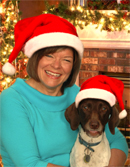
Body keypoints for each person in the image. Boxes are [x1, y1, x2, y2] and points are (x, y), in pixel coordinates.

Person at [0, 14, 128, 167]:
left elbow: (117, 141)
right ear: (35, 58)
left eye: (66, 59)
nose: (56, 65)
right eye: (49, 56)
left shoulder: (78, 95)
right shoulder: (12, 100)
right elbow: (29, 163)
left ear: (73, 66)